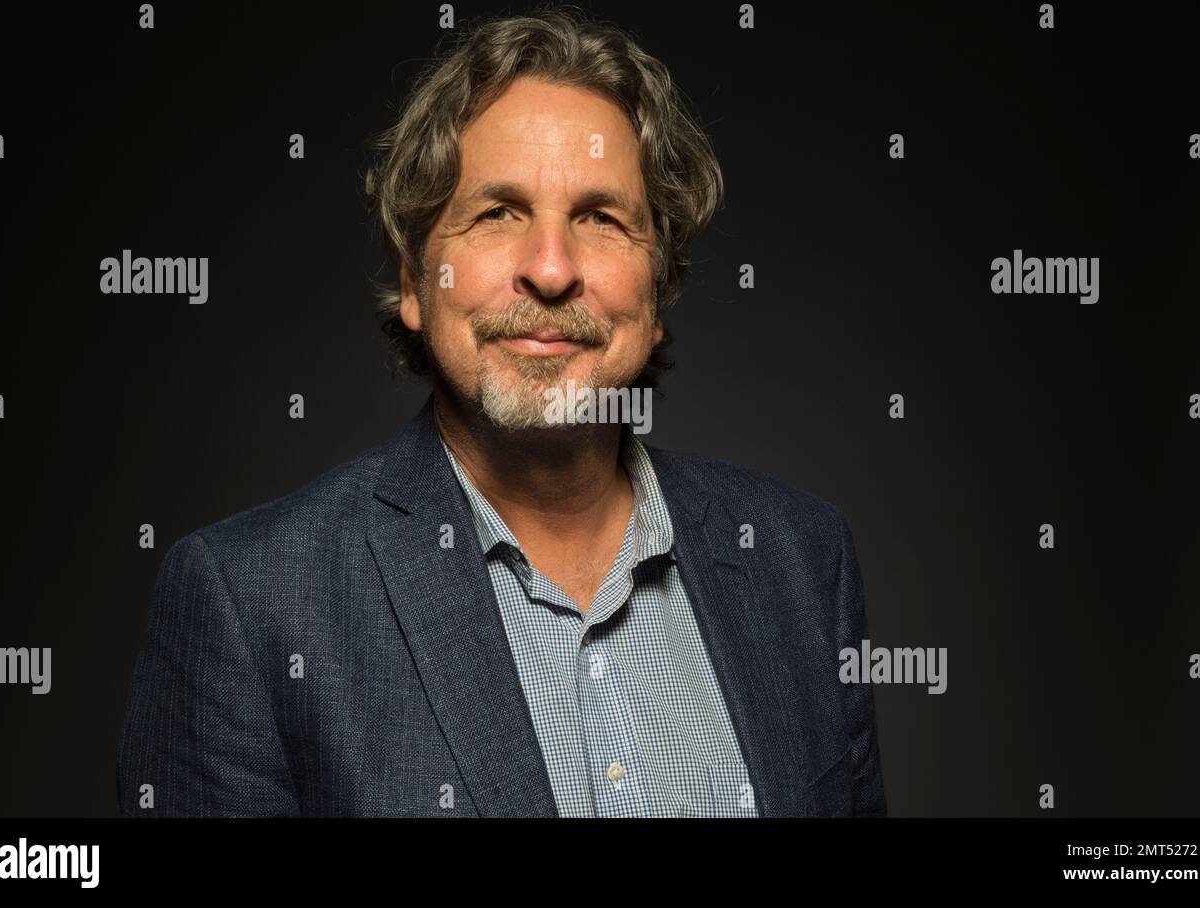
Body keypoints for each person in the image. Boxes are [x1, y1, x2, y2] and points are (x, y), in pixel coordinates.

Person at [116, 7, 886, 818]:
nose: (551, 270)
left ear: (658, 289)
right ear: (415, 282)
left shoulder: (802, 561)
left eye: (600, 218)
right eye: (497, 213)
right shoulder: (251, 604)